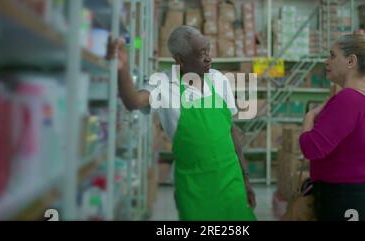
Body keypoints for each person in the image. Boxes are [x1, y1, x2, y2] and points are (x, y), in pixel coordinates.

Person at [108, 25, 256, 221]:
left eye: (208, 50)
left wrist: (245, 177)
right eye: (200, 53)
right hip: (195, 188)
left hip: (231, 181)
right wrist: (122, 70)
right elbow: (133, 101)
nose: (208, 58)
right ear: (180, 59)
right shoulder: (163, 85)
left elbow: (230, 131)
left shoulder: (219, 80)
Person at [299, 34, 365, 221]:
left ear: (351, 61)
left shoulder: (348, 99)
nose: (326, 61)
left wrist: (309, 116)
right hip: (358, 197)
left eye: (332, 56)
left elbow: (310, 147)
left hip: (345, 200)